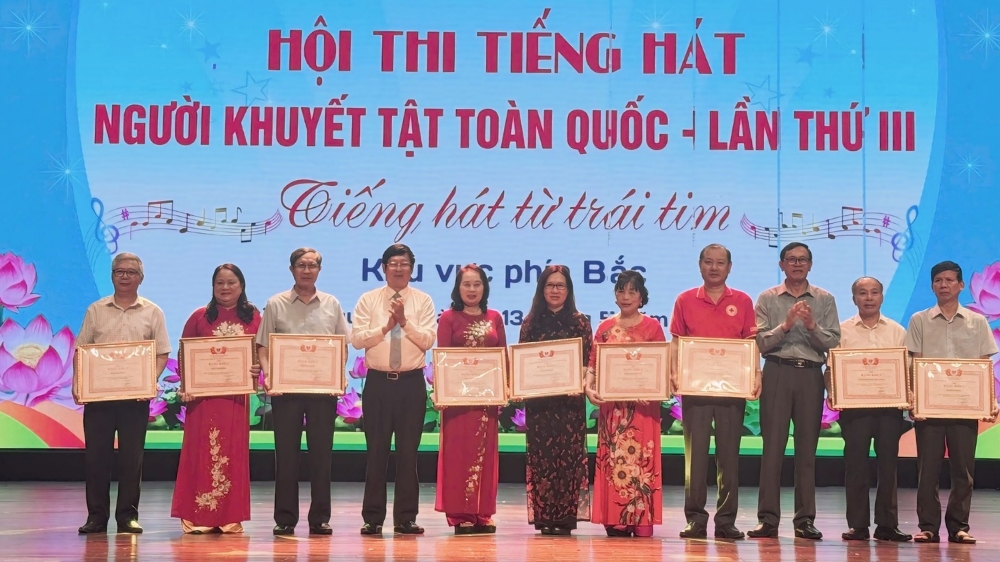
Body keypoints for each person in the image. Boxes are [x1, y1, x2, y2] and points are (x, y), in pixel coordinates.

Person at [748, 242, 840, 540]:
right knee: (772, 449)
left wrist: (812, 326)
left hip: (811, 375)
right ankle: (767, 519)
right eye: (791, 259)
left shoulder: (825, 299)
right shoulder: (767, 298)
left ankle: (804, 520)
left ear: (810, 265)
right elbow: (760, 342)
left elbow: (833, 343)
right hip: (777, 371)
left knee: (806, 451)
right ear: (782, 264)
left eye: (802, 260)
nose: (797, 264)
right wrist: (786, 325)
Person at [74, 252, 171, 534]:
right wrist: (78, 382)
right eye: (120, 271)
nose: (125, 276)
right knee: (96, 459)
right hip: (99, 398)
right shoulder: (96, 310)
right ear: (112, 276)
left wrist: (149, 380)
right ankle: (96, 517)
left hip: (134, 400)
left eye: (131, 272)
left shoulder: (153, 312)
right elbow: (81, 350)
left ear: (141, 278)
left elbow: (161, 353)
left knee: (131, 460)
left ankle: (127, 516)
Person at [256, 248, 350, 536]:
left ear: (319, 270)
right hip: (285, 391)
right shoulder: (275, 303)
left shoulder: (332, 304)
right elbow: (263, 347)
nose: (306, 270)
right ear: (291, 269)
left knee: (322, 456)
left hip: (322, 391)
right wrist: (269, 375)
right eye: (301, 265)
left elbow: (342, 346)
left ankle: (320, 518)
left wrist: (339, 374)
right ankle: (285, 518)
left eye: (312, 265)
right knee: (286, 456)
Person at [905, 261, 998, 544]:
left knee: (963, 471)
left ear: (961, 285)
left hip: (965, 407)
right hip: (929, 408)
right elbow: (913, 362)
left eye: (949, 280)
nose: (943, 285)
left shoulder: (977, 322)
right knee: (927, 471)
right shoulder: (919, 320)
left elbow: (984, 364)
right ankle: (928, 527)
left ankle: (959, 527)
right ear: (932, 286)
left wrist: (990, 400)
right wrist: (913, 398)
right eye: (938, 280)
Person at [668, 244, 756, 540]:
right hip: (695, 391)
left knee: (729, 457)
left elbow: (750, 344)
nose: (714, 267)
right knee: (695, 458)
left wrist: (755, 374)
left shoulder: (742, 300)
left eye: (720, 263)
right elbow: (677, 342)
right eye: (708, 262)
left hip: (731, 392)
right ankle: (695, 518)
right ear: (700, 265)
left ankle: (726, 520)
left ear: (729, 267)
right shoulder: (685, 300)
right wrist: (673, 372)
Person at [351, 244, 437, 536]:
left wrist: (404, 322)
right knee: (376, 452)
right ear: (384, 268)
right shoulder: (368, 300)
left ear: (412, 269)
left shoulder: (423, 301)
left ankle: (405, 518)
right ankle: (373, 518)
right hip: (378, 383)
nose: (399, 269)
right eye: (393, 263)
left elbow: (427, 340)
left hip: (411, 383)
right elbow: (357, 340)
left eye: (404, 264)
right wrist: (386, 327)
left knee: (408, 453)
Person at [170, 264, 261, 534]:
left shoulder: (254, 317)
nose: (225, 287)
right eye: (220, 282)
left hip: (235, 399)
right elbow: (184, 354)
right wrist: (187, 385)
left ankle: (230, 516)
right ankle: (196, 516)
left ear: (241, 286)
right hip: (202, 400)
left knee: (232, 453)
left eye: (231, 282)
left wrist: (258, 368)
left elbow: (262, 352)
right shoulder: (199, 317)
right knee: (200, 452)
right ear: (212, 286)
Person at [829, 277, 911, 542]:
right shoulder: (842, 331)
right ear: (854, 298)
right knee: (856, 467)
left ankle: (887, 525)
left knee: (888, 467)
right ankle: (858, 525)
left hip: (889, 410)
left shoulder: (897, 331)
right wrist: (833, 392)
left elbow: (906, 369)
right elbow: (831, 369)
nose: (869, 298)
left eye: (874, 292)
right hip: (855, 411)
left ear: (882, 297)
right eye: (862, 293)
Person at [585, 270, 665, 538]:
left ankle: (641, 518)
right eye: (621, 290)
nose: (626, 296)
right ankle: (616, 518)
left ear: (642, 297)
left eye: (632, 291)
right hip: (614, 409)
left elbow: (660, 367)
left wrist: (651, 390)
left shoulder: (653, 327)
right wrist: (588, 387)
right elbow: (593, 365)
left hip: (643, 409)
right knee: (615, 463)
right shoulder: (605, 328)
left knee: (641, 461)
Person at [519, 265, 592, 536]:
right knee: (543, 461)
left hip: (569, 405)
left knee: (568, 460)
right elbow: (523, 363)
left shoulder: (580, 322)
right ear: (542, 289)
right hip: (540, 405)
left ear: (569, 290)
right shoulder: (530, 322)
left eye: (561, 285)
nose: (555, 290)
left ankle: (565, 518)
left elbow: (588, 361)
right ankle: (544, 517)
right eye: (550, 285)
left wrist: (579, 380)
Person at [434, 264, 507, 535]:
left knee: (485, 456)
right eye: (466, 284)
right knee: (458, 455)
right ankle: (460, 513)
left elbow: (502, 356)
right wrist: (441, 391)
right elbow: (442, 358)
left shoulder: (495, 317)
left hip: (486, 401)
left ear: (484, 287)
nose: (472, 289)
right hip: (458, 401)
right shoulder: (448, 318)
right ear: (458, 288)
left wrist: (505, 387)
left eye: (477, 284)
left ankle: (482, 513)